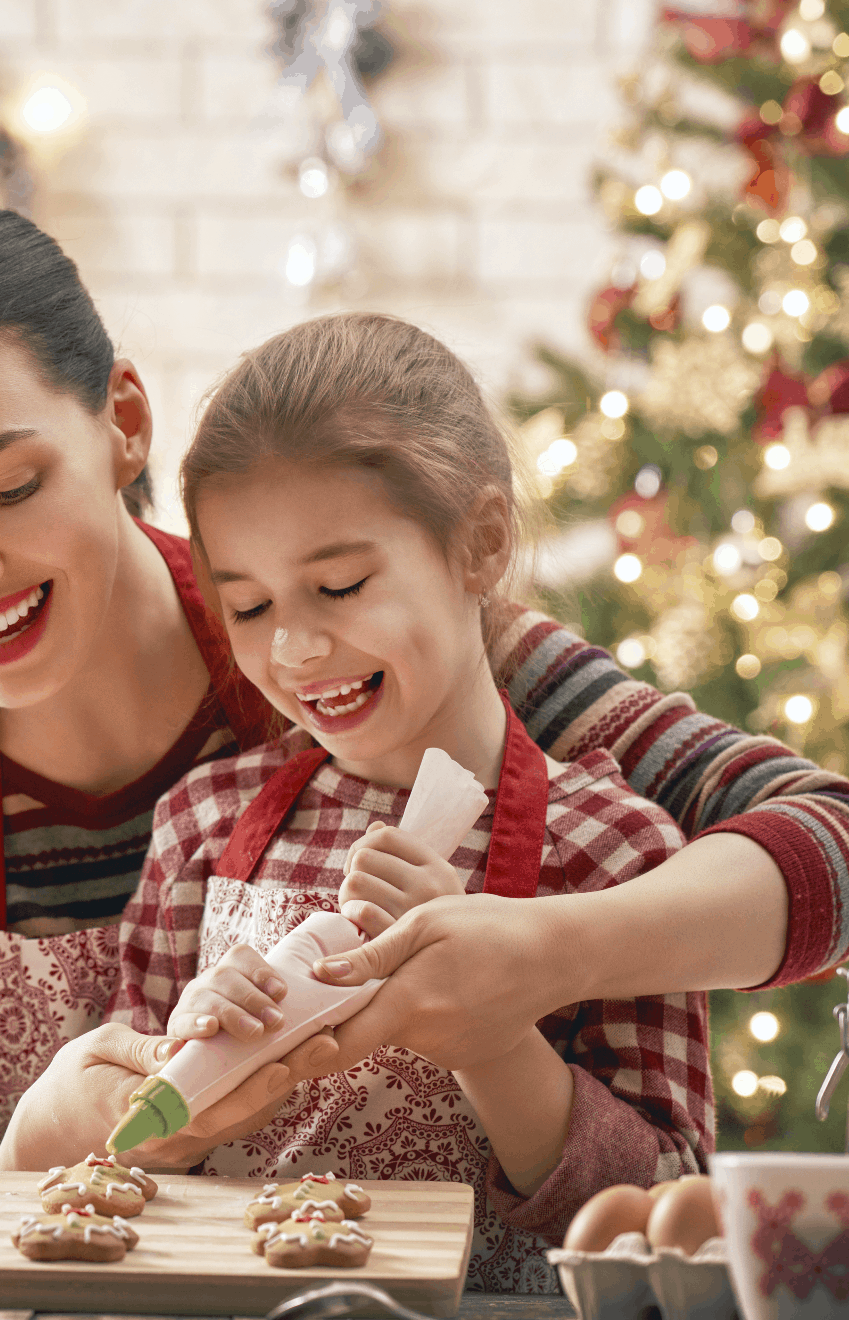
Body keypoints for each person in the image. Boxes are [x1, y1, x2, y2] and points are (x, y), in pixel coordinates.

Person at [0, 196, 849, 1173]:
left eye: (7, 489)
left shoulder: (355, 657)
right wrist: (47, 1140)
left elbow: (847, 858)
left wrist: (542, 961)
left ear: (123, 423)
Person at [61, 312, 709, 1293]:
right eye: (247, 606)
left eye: (339, 584)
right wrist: (177, 1073)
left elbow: (668, 1216)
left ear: (479, 543)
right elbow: (121, 1174)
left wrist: (490, 1038)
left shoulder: (610, 852)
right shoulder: (199, 826)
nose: (293, 651)